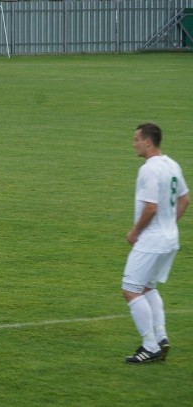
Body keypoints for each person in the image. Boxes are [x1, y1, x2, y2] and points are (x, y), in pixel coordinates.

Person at [122, 123, 189, 364]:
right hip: (170, 239)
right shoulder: (172, 164)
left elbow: (151, 207)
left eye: (136, 139)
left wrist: (135, 232)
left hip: (152, 241)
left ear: (147, 141)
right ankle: (161, 338)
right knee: (148, 287)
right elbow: (185, 199)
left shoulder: (149, 170)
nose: (134, 143)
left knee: (130, 290)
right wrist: (169, 225)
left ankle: (150, 346)